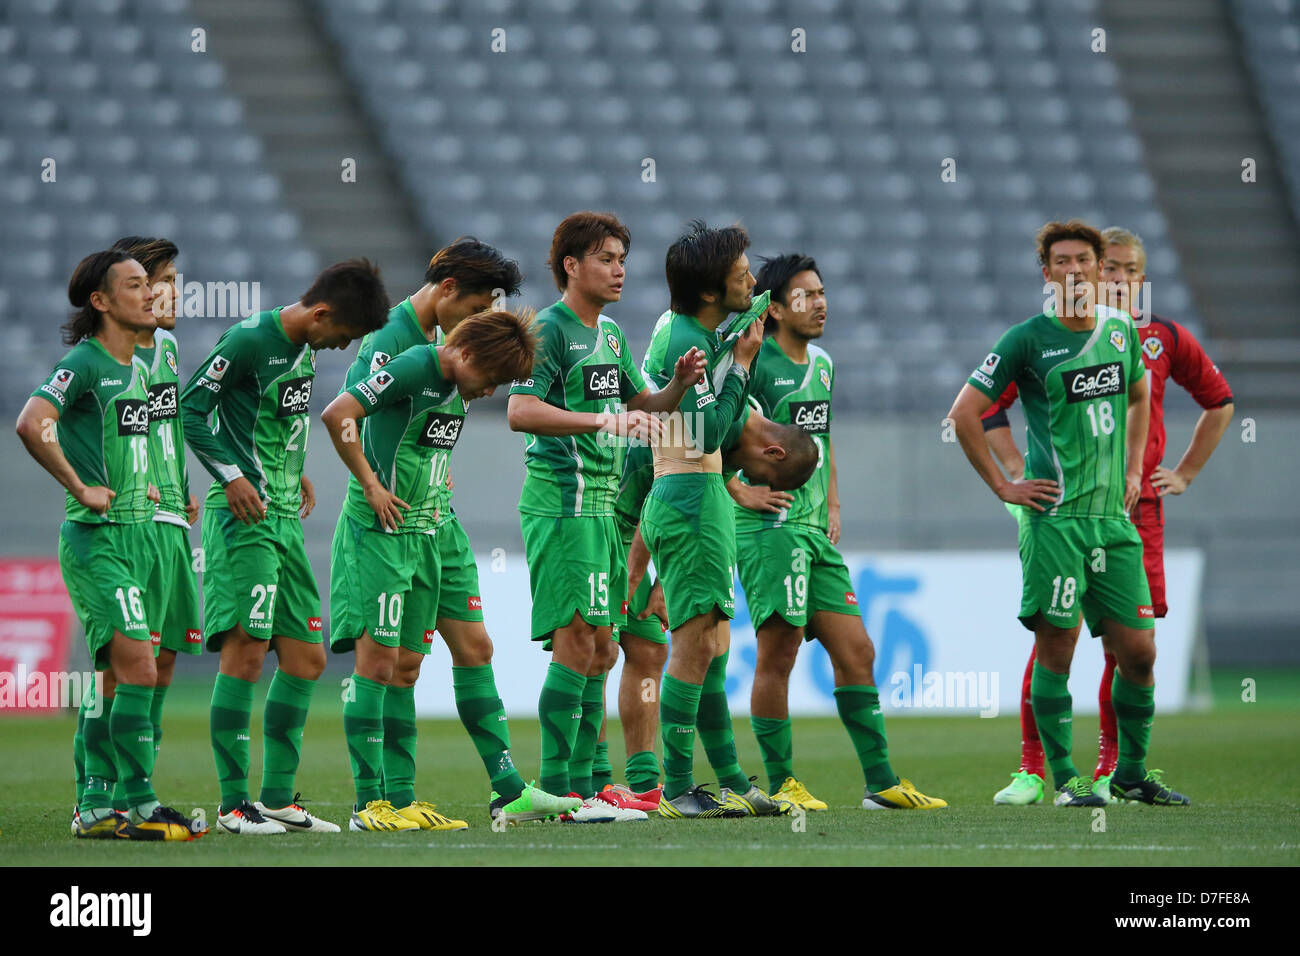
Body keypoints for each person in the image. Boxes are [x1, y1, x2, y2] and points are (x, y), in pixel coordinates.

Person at [985, 226, 1233, 806]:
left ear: (1134, 278)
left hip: (1130, 513)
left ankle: (1119, 768)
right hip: (1062, 514)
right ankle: (1038, 770)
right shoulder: (1032, 339)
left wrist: (1166, 472)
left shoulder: (1150, 337)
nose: (1107, 277)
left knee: (1135, 650)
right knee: (1058, 639)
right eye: (1105, 266)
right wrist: (1013, 477)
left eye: (1120, 269)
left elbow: (1211, 401)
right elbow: (980, 409)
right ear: (1050, 273)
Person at [506, 211, 707, 823]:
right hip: (561, 503)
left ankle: (590, 789)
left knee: (599, 647)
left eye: (622, 259)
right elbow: (518, 409)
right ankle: (559, 791)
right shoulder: (547, 330)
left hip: (600, 508)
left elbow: (640, 404)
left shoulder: (612, 335)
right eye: (606, 259)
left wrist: (675, 385)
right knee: (574, 641)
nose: (619, 270)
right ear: (571, 265)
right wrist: (602, 420)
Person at [180, 258, 389, 834]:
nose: (342, 348)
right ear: (320, 313)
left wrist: (291, 469)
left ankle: (275, 800)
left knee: (306, 657)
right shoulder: (250, 338)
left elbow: (268, 419)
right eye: (342, 336)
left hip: (284, 518)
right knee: (247, 650)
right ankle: (231, 807)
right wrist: (232, 475)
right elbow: (190, 409)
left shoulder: (304, 348)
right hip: (244, 515)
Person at [732, 254, 947, 810]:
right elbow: (707, 431)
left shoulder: (823, 365)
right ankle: (781, 784)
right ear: (774, 308)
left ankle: (881, 782)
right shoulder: (753, 363)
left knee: (858, 650)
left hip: (813, 531)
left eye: (822, 292)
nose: (821, 302)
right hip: (770, 525)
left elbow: (820, 441)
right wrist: (736, 489)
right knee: (777, 654)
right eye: (806, 294)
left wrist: (831, 497)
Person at [17, 249, 204, 840]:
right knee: (136, 670)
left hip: (153, 530)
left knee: (143, 673)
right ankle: (137, 805)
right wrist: (79, 484)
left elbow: (151, 437)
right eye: (136, 285)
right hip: (100, 539)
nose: (152, 294)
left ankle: (103, 804)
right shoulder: (86, 363)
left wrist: (172, 489)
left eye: (153, 284)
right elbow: (32, 421)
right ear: (101, 301)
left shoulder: (151, 362)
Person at [638, 221, 782, 819]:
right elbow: (709, 433)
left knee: (714, 647)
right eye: (741, 272)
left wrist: (738, 336)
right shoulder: (683, 346)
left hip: (700, 498)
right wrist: (744, 363)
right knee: (694, 646)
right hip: (690, 499)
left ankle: (727, 776)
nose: (751, 278)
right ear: (708, 290)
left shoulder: (691, 330)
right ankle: (675, 787)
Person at [614, 399, 819, 802]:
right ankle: (597, 784)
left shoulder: (732, 414)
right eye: (762, 476)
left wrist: (737, 490)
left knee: (693, 650)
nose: (750, 477)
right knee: (600, 650)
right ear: (772, 452)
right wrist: (643, 575)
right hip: (615, 518)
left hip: (653, 521)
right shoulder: (716, 416)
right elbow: (663, 484)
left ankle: (686, 780)